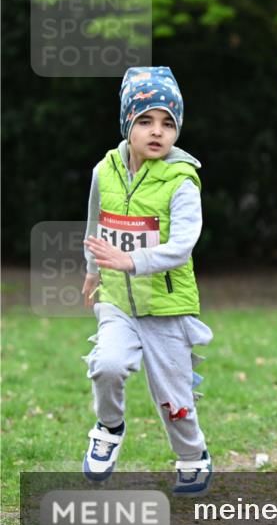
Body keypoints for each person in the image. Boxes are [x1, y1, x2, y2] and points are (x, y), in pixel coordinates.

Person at [80, 66, 214, 495]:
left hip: (167, 308)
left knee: (175, 401)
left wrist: (129, 260)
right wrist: (92, 268)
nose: (157, 131)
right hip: (118, 300)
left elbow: (182, 247)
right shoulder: (105, 171)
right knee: (107, 365)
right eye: (146, 120)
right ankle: (108, 428)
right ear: (127, 123)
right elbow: (95, 223)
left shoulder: (182, 180)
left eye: (168, 123)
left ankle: (192, 456)